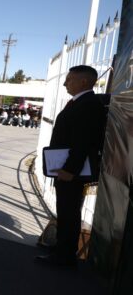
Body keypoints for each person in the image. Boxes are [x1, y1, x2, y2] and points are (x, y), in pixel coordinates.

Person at [35, 65, 107, 267]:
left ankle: (65, 255)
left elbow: (82, 142)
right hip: (66, 168)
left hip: (72, 171)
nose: (66, 83)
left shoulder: (89, 105)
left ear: (83, 81)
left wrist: (69, 170)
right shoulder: (80, 103)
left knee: (69, 212)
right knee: (65, 211)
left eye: (70, 79)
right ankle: (62, 248)